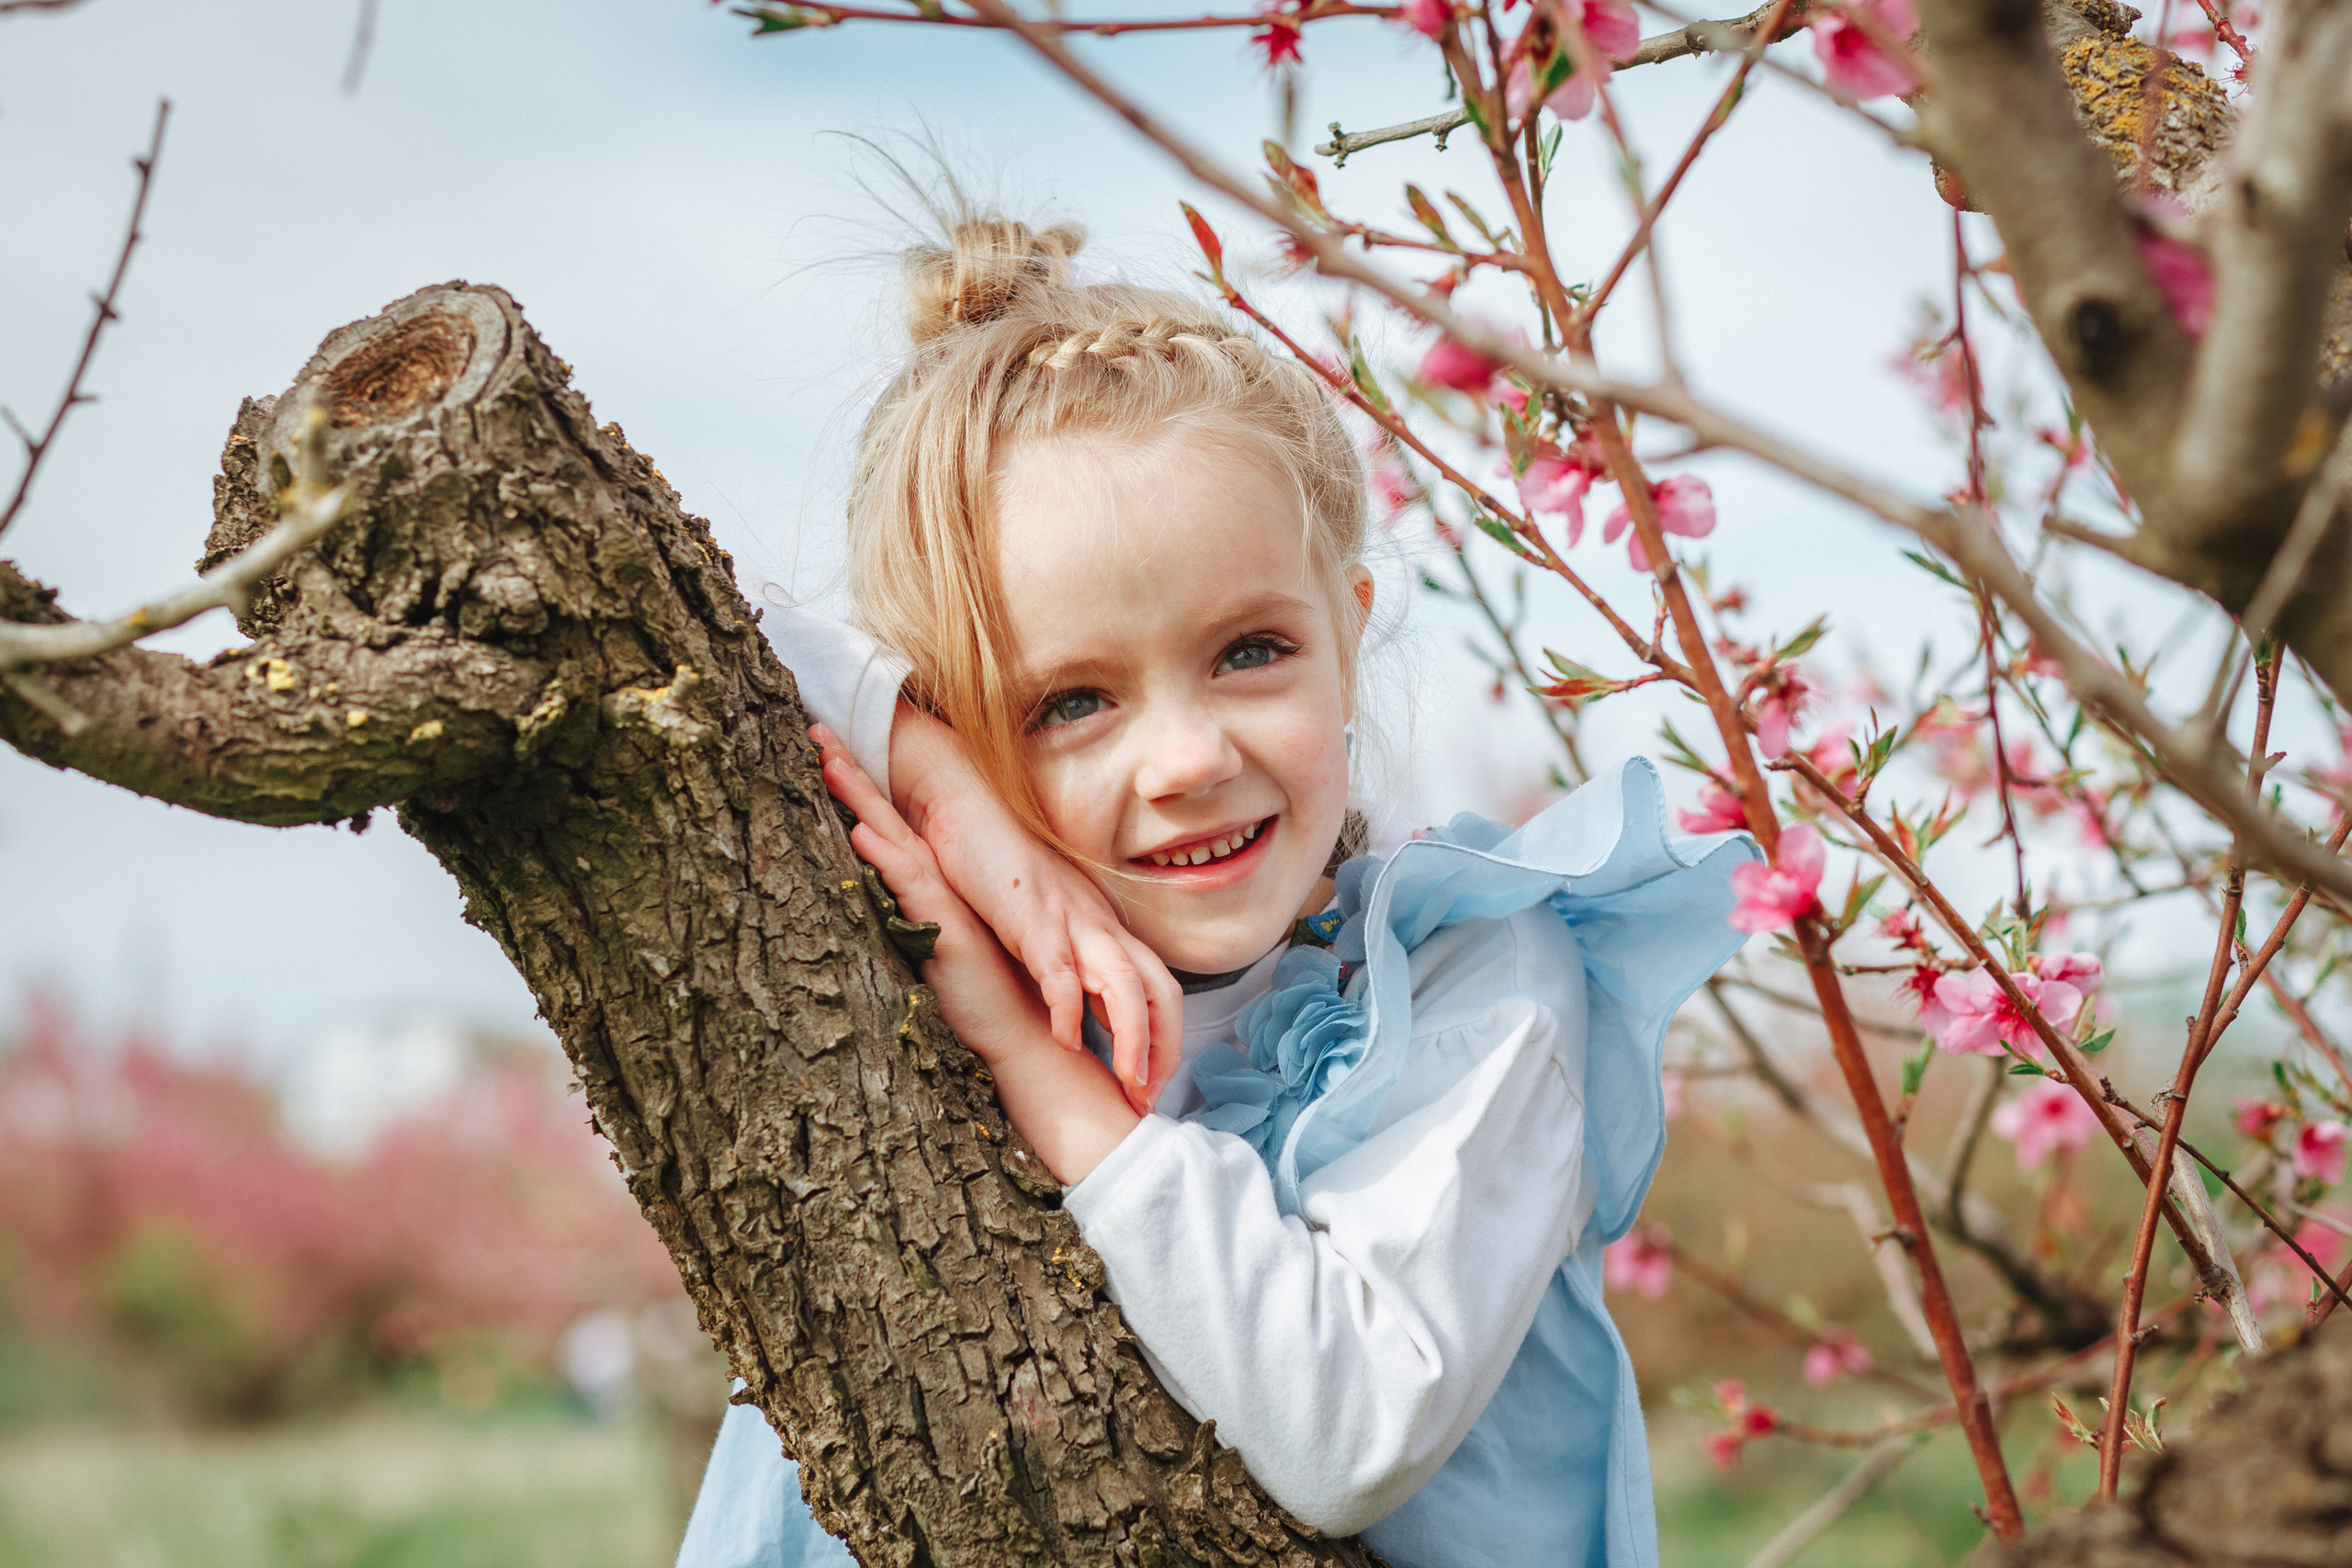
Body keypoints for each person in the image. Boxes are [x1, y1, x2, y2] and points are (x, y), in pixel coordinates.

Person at [673, 210, 1758, 1568]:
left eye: (1250, 651)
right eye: (1072, 701)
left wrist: (1029, 1061)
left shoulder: (1481, 983)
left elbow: (1349, 1436)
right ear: (949, 710)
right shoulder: (935, 909)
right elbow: (643, 603)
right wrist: (950, 798)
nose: (1188, 758)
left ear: (1348, 636)